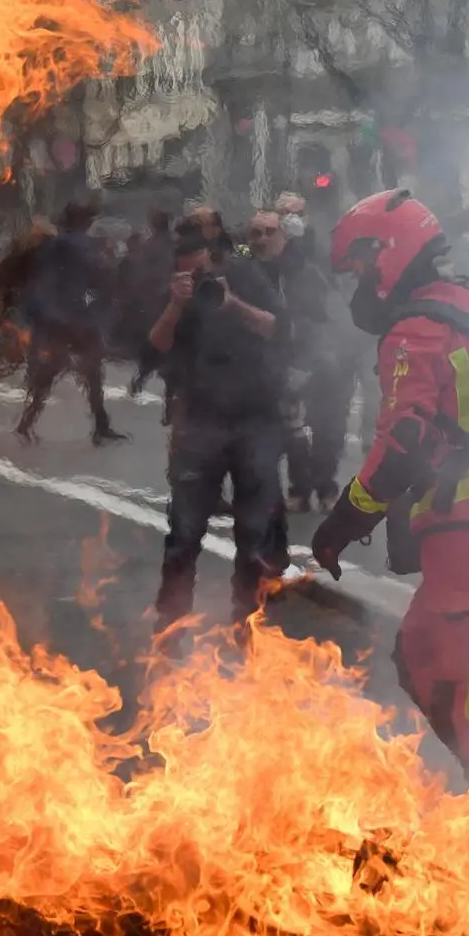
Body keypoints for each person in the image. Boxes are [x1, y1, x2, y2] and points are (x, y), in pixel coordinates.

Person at [310, 190, 469, 800]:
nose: (358, 283)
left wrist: (341, 523)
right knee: (421, 656)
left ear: (387, 254)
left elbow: (402, 443)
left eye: (361, 266)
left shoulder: (417, 329)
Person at [148, 218, 292, 640]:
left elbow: (278, 327)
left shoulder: (244, 276)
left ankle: (245, 622)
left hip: (256, 419)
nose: (197, 279)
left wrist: (232, 303)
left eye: (201, 271)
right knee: (184, 532)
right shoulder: (178, 290)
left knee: (254, 533)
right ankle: (170, 623)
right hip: (200, 422)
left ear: (215, 259)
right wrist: (176, 303)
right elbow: (155, 344)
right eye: (188, 273)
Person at [248, 209, 355, 513]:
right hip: (272, 361)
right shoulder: (248, 272)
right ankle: (299, 488)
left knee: (325, 427)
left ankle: (325, 486)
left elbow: (324, 320)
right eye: (256, 233)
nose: (263, 239)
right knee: (290, 429)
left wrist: (306, 362)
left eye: (269, 232)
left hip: (317, 360)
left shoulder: (305, 272)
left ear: (283, 235)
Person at [13, 200, 128, 447]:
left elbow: (41, 279)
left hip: (58, 317)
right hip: (75, 317)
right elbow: (100, 276)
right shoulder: (82, 245)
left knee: (56, 369)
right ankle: (100, 426)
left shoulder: (52, 244)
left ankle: (27, 421)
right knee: (91, 372)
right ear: (83, 221)